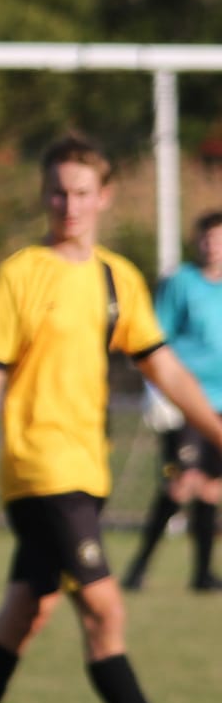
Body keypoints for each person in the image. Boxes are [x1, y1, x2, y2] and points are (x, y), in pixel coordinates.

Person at [0, 134, 222, 703]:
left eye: (82, 192)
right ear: (44, 195)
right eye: (58, 191)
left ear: (104, 197)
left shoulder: (118, 277)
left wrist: (216, 429)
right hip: (41, 468)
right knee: (103, 607)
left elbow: (163, 365)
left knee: (24, 610)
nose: (70, 204)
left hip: (86, 468)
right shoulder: (20, 274)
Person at [123, 210, 222, 592]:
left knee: (210, 485)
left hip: (221, 401)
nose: (212, 246)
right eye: (207, 238)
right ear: (196, 241)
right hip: (186, 401)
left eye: (218, 239)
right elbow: (155, 338)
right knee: (183, 482)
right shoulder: (181, 282)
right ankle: (138, 568)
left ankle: (202, 574)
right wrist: (158, 393)